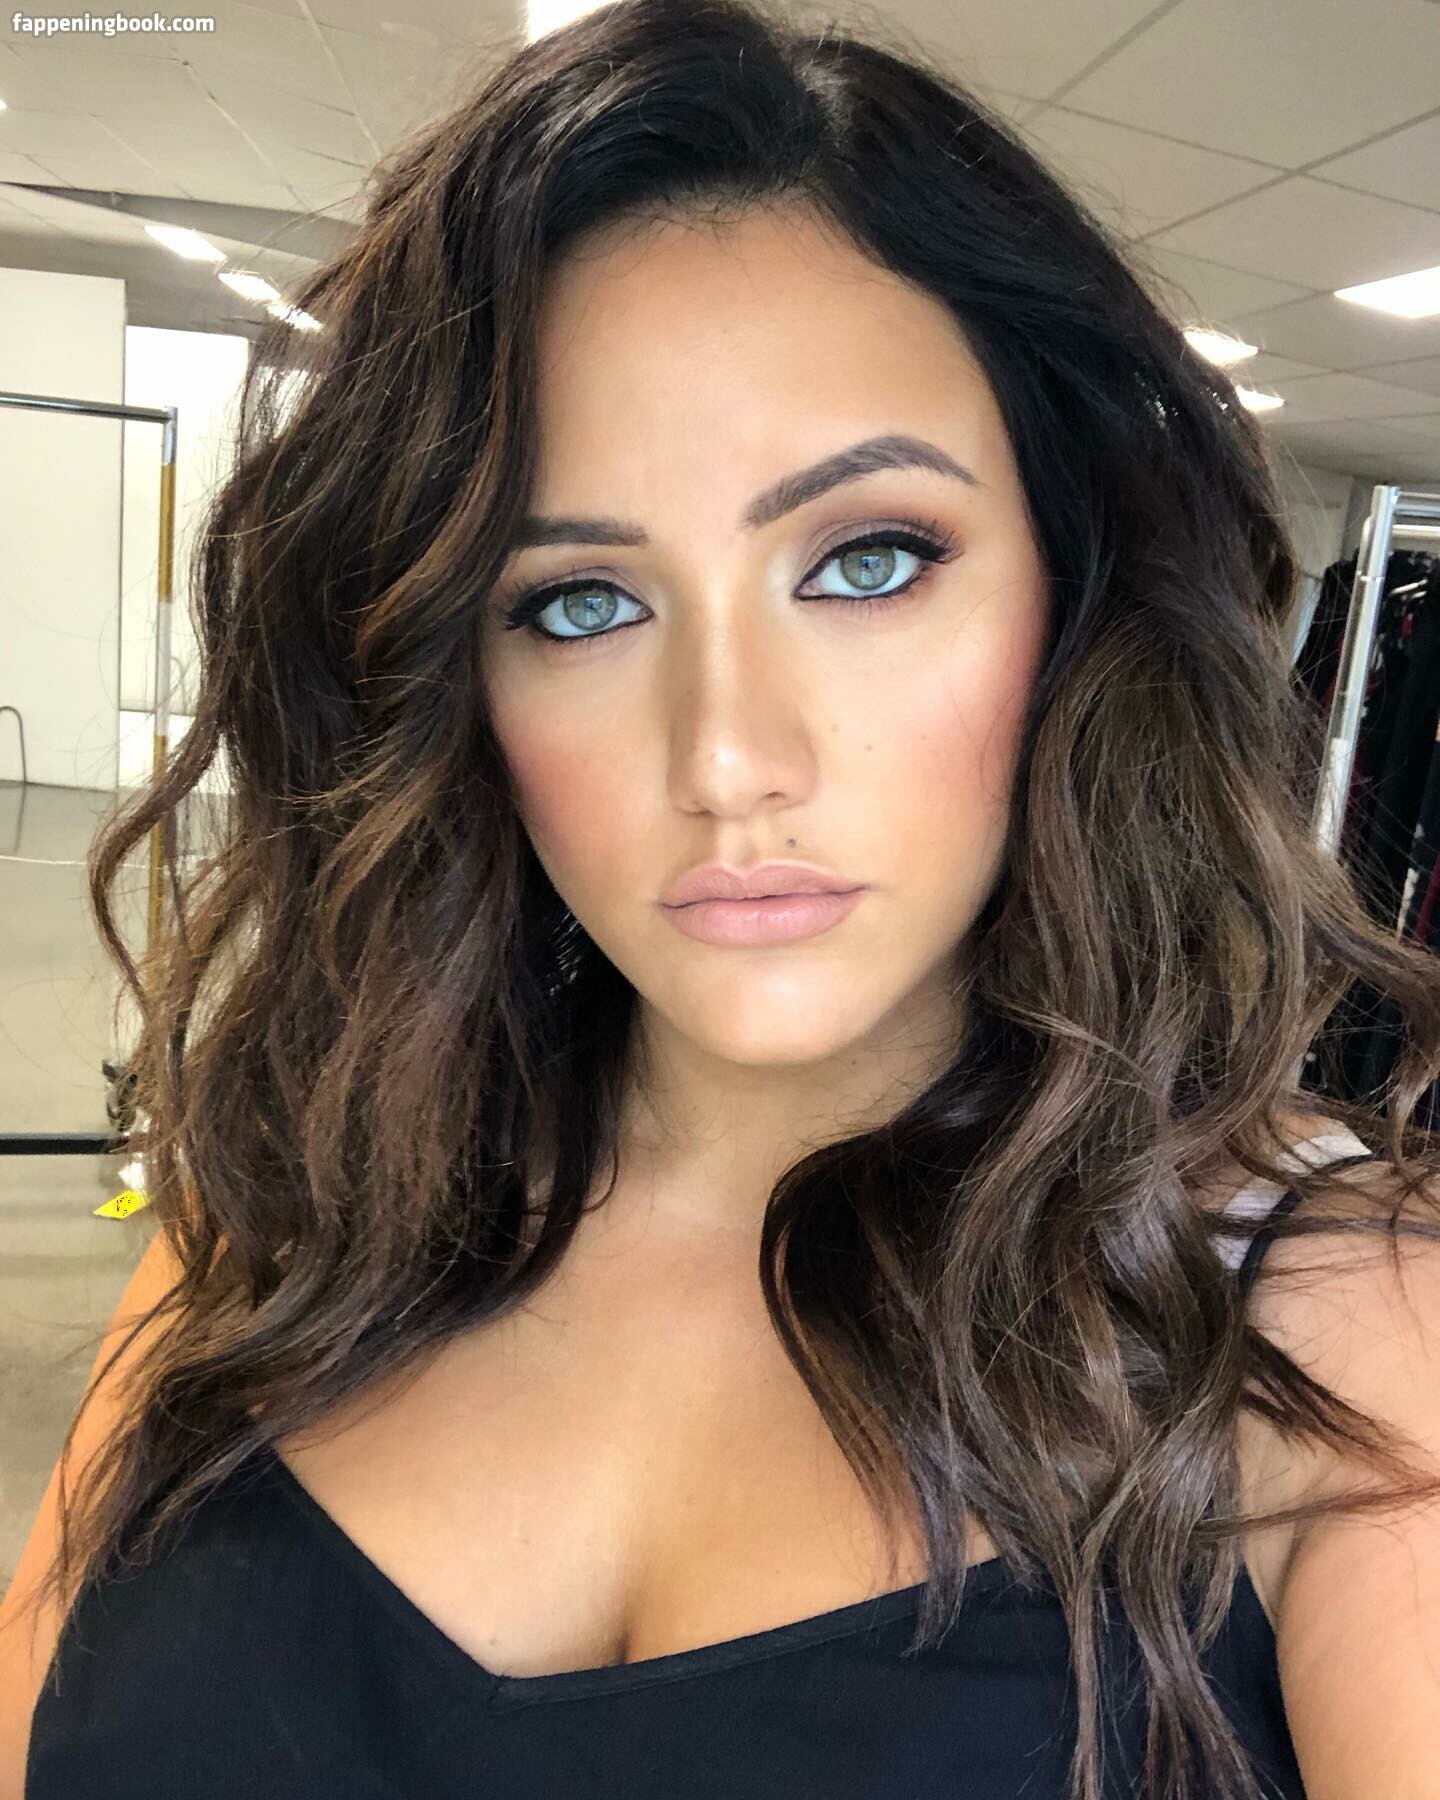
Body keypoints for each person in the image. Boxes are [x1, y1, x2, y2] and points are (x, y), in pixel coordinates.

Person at [4, 1, 1440, 1795]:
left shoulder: (1351, 1332)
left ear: (1074, 601)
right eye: (581, 604)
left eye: (869, 560)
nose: (729, 756)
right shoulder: (297, 1206)